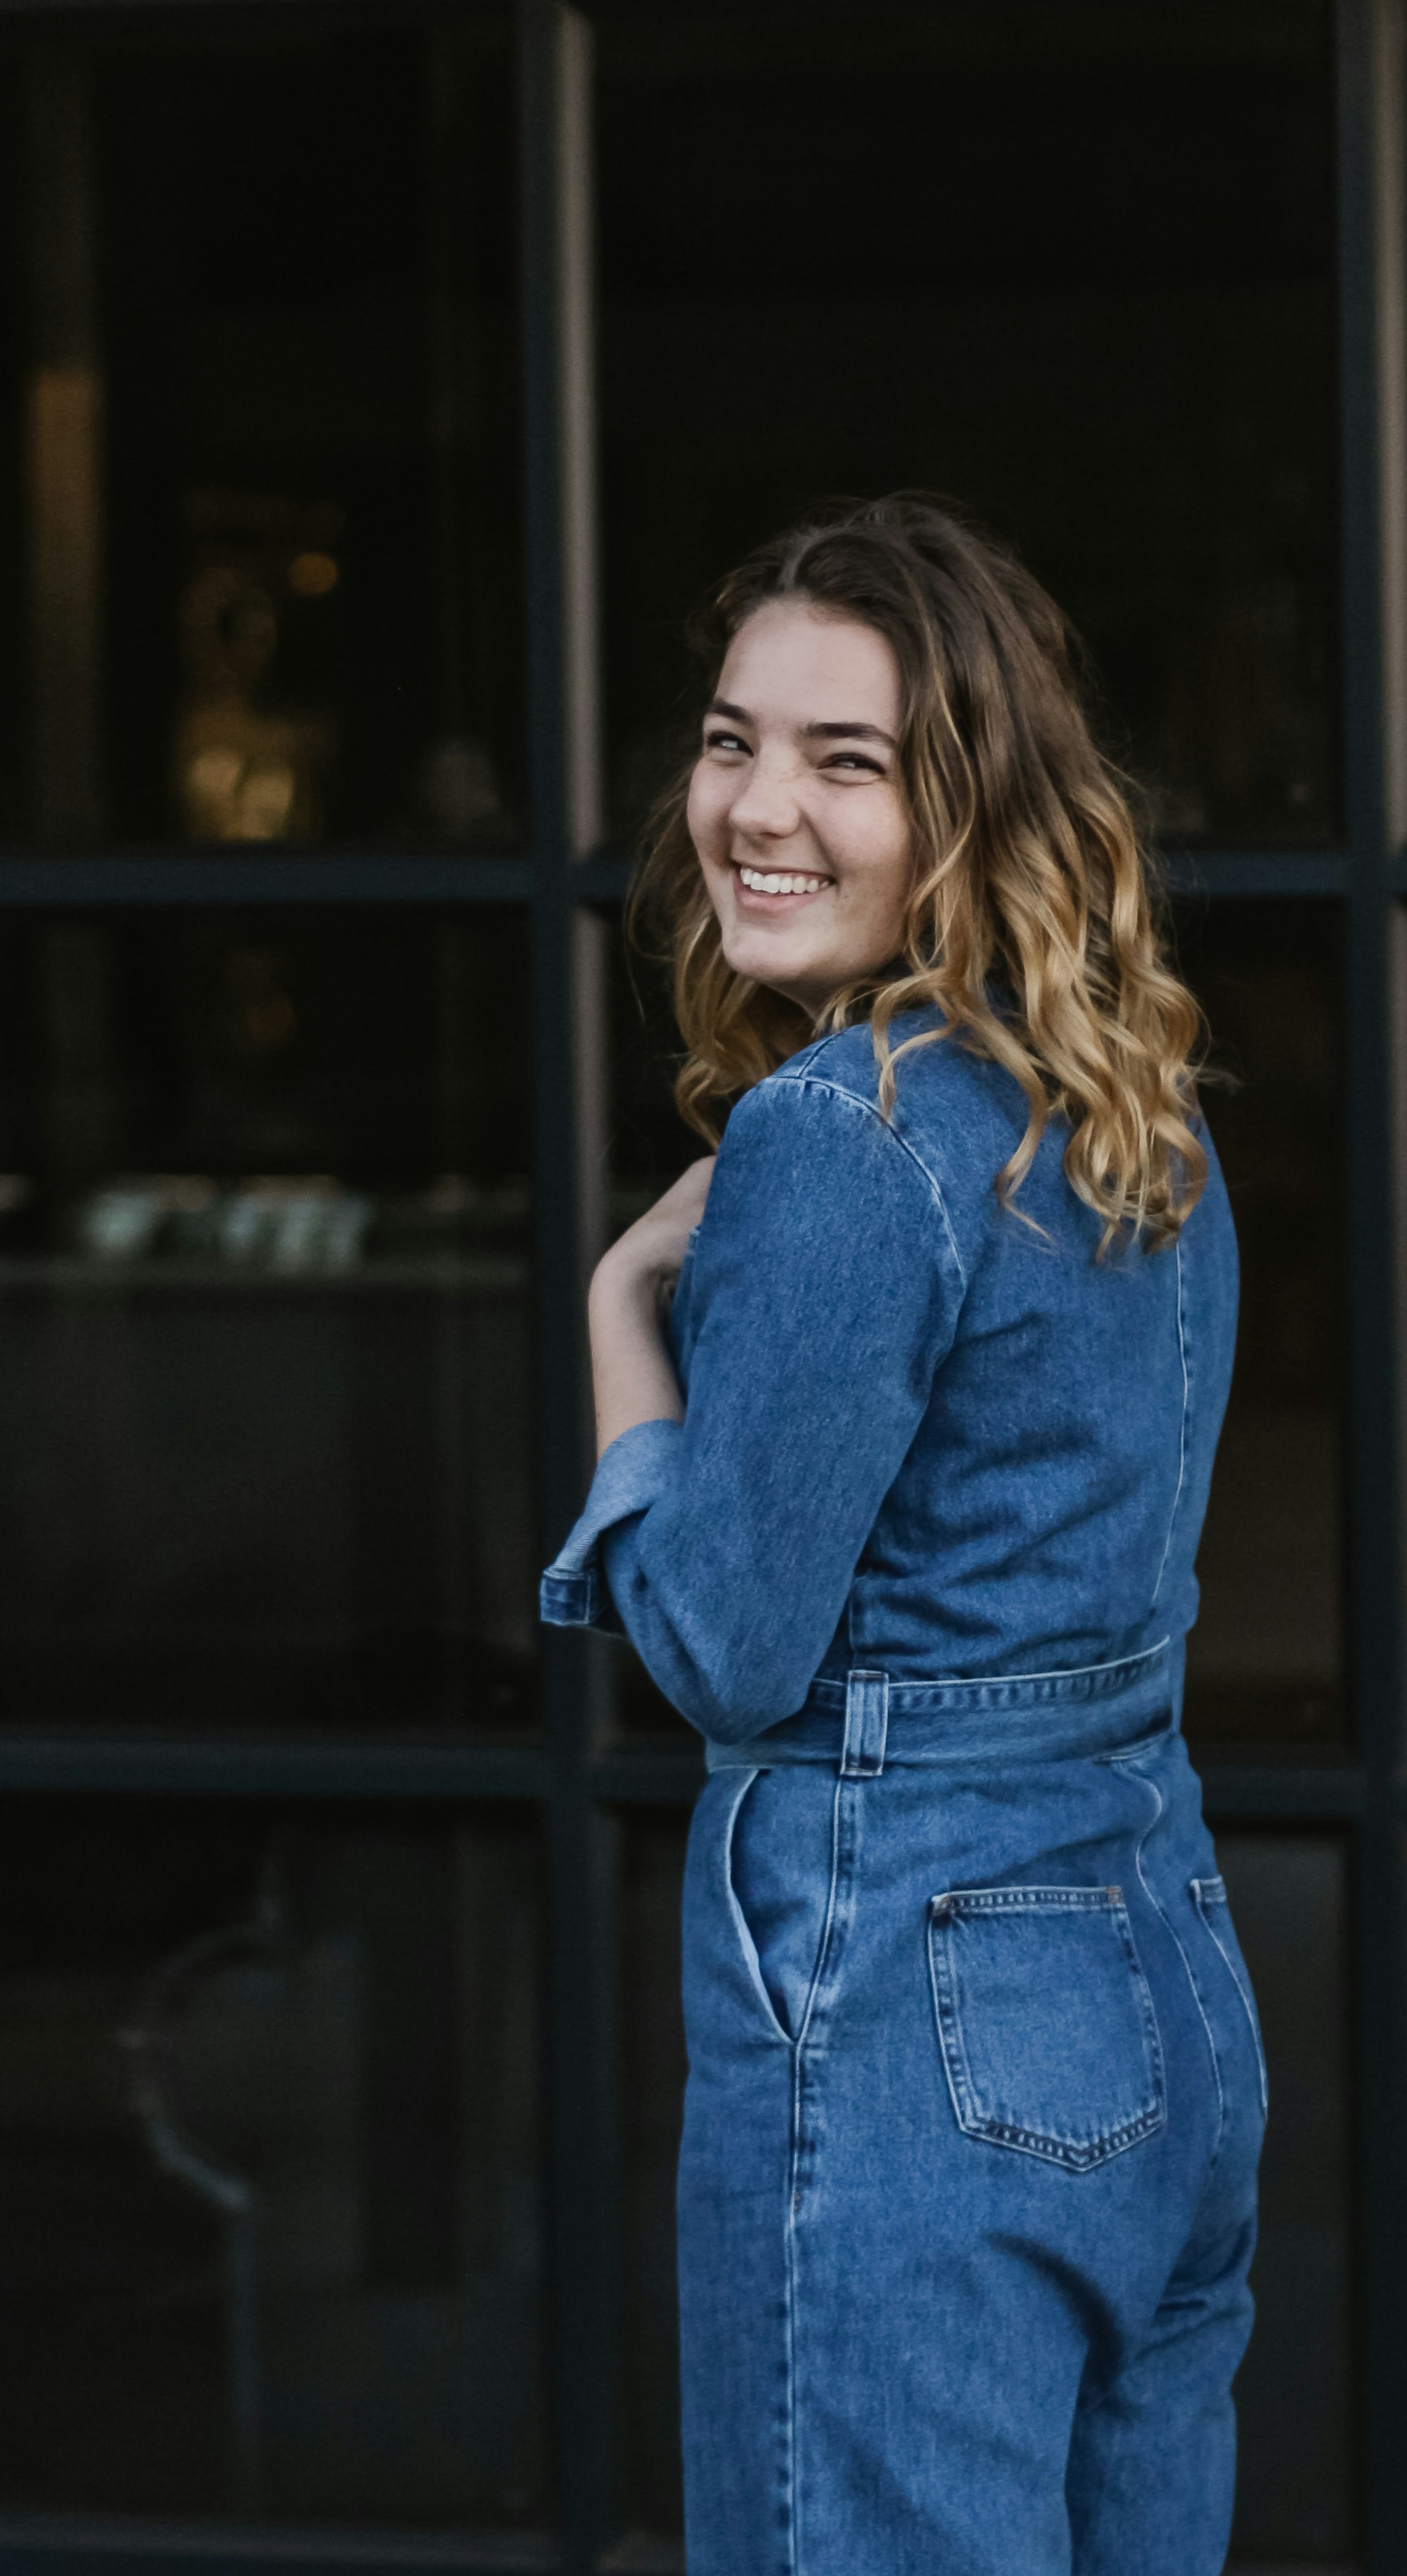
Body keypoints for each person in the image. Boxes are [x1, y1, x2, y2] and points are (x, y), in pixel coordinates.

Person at [541, 495, 1262, 2576]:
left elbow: (720, 1649)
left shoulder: (840, 1138)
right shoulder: (1129, 1100)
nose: (755, 809)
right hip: (1151, 1976)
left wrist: (619, 1317)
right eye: (726, 739)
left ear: (972, 809)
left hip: (907, 2012)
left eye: (844, 762)